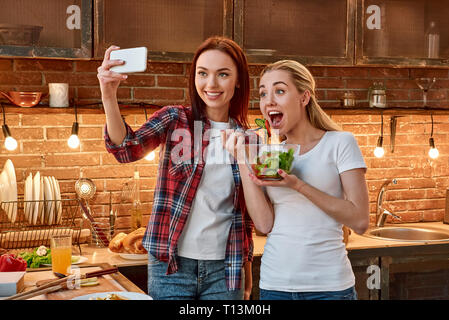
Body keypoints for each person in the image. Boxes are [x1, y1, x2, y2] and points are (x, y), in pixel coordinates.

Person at [97, 36, 254, 300]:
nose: (211, 84)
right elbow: (126, 149)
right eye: (203, 73)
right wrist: (109, 96)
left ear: (238, 80)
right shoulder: (175, 119)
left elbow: (244, 216)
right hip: (170, 267)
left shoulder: (248, 138)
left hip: (225, 271)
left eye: (223, 74)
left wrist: (246, 275)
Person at [224, 60, 369, 300]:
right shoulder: (270, 153)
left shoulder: (340, 143)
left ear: (304, 98)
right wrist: (242, 159)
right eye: (263, 93)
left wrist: (298, 185)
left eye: (280, 91)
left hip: (329, 288)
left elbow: (361, 221)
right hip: (275, 285)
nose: (269, 100)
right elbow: (264, 224)